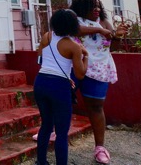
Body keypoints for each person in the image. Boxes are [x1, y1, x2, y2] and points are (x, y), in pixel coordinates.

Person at [70, 0, 128, 164]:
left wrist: (117, 36)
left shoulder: (104, 22)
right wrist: (99, 30)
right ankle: (51, 131)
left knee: (95, 107)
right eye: (92, 6)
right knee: (60, 101)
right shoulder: (73, 17)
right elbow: (75, 30)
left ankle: (100, 148)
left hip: (98, 69)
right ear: (82, 7)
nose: (96, 9)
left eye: (98, 6)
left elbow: (113, 47)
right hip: (73, 66)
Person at [34, 9, 89, 165]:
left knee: (46, 125)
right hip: (59, 87)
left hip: (41, 82)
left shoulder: (47, 36)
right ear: (73, 26)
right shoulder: (74, 46)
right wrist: (86, 57)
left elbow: (40, 60)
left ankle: (41, 162)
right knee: (62, 132)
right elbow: (80, 75)